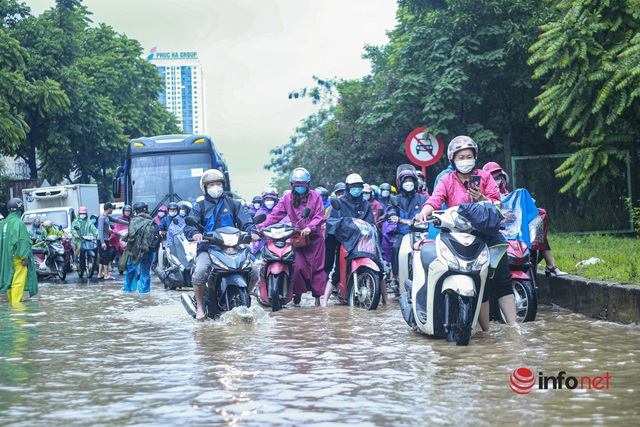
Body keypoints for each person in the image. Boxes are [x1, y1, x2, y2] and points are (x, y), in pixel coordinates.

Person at [416, 136, 517, 329]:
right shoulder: (446, 180)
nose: (465, 160)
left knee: (502, 279)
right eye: (461, 157)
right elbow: (435, 200)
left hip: (489, 234)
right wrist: (424, 212)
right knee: (481, 282)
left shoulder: (485, 177)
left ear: (475, 157)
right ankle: (486, 331)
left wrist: (482, 197)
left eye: (469, 156)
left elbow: (497, 203)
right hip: (461, 236)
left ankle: (514, 328)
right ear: (453, 159)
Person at [187, 169, 260, 320]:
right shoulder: (199, 206)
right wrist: (194, 233)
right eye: (212, 184)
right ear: (205, 188)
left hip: (233, 247)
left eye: (218, 183)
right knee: (200, 271)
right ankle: (200, 307)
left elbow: (246, 221)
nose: (216, 187)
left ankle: (246, 294)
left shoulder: (234, 204)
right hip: (208, 248)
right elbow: (189, 225)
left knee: (253, 270)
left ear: (223, 185)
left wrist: (252, 232)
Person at [482, 161, 568, 276]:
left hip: (513, 226)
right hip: (497, 228)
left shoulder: (508, 194)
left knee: (537, 222)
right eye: (493, 178)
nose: (496, 180)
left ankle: (550, 264)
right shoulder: (482, 194)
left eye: (498, 177)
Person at [260, 167, 327, 307]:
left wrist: (310, 227)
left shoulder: (316, 196)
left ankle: (318, 299)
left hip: (315, 239)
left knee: (318, 269)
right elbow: (275, 215)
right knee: (298, 267)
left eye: (303, 186)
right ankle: (298, 294)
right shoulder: (286, 199)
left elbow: (319, 216)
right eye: (297, 186)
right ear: (292, 185)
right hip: (297, 238)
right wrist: (260, 228)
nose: (300, 188)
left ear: (308, 185)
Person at [322, 173, 384, 306]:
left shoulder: (365, 204)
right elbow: (332, 222)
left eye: (358, 187)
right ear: (348, 188)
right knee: (335, 270)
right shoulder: (339, 202)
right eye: (353, 187)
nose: (356, 189)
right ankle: (324, 302)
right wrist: (345, 226)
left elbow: (370, 223)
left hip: (363, 241)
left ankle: (385, 301)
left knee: (380, 265)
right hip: (345, 241)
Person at [386, 166, 429, 292]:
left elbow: (430, 209)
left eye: (410, 180)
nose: (408, 183)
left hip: (421, 233)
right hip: (403, 233)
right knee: (395, 247)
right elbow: (390, 210)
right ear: (401, 184)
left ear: (415, 182)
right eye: (405, 181)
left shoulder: (423, 198)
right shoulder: (396, 199)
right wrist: (392, 215)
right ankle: (394, 276)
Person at [0, 198, 37, 303]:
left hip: (6, 257)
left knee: (10, 280)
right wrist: (24, 257)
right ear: (20, 209)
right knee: (18, 281)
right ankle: (17, 306)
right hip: (17, 257)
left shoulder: (3, 224)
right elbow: (22, 241)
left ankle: (12, 303)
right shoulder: (19, 223)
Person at [122, 202, 160, 293]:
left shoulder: (134, 221)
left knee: (130, 269)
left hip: (135, 251)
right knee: (146, 271)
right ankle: (144, 291)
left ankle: (128, 289)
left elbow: (131, 236)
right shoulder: (152, 221)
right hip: (149, 251)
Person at [252, 188, 281, 255]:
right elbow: (256, 226)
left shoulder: (279, 211)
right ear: (263, 201)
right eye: (267, 200)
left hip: (279, 240)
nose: (269, 202)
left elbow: (286, 222)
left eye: (271, 200)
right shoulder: (260, 212)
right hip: (264, 242)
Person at [71, 207, 99, 271]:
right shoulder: (75, 222)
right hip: (78, 239)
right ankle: (75, 262)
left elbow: (93, 229)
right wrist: (75, 234)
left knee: (95, 249)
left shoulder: (89, 222)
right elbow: (73, 230)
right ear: (79, 214)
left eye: (84, 213)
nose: (83, 215)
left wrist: (97, 234)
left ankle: (98, 267)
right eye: (81, 213)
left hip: (88, 239)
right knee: (79, 247)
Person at [98, 202, 114, 280]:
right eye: (112, 208)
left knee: (102, 257)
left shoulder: (108, 217)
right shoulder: (102, 218)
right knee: (105, 257)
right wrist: (102, 242)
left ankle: (100, 273)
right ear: (109, 209)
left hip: (105, 239)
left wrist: (128, 223)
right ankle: (106, 274)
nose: (112, 210)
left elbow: (117, 220)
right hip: (102, 240)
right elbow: (100, 231)